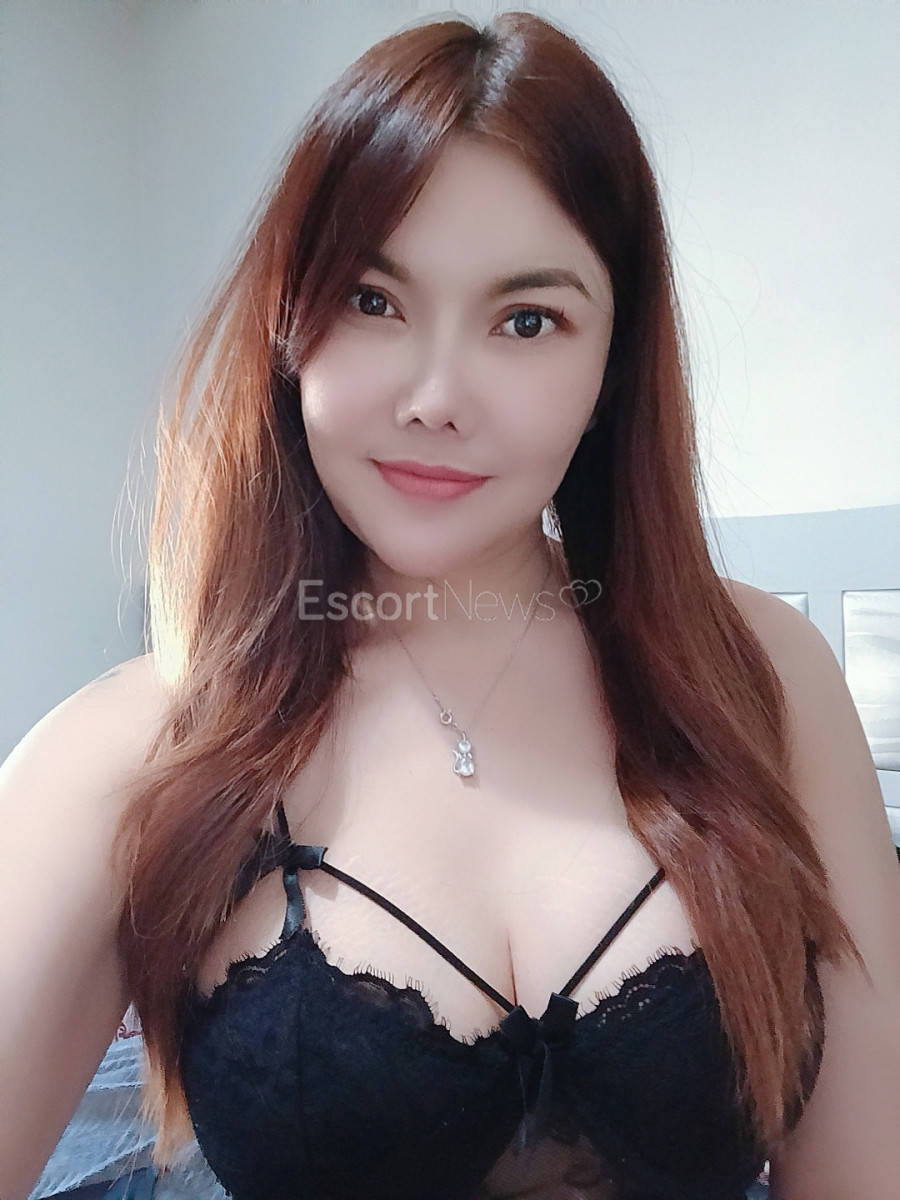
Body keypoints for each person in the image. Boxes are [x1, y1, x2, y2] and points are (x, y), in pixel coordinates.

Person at [2, 10, 899, 1200]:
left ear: (611, 362)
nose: (435, 397)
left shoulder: (764, 677)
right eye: (373, 301)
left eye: (527, 321)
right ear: (291, 332)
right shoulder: (134, 752)